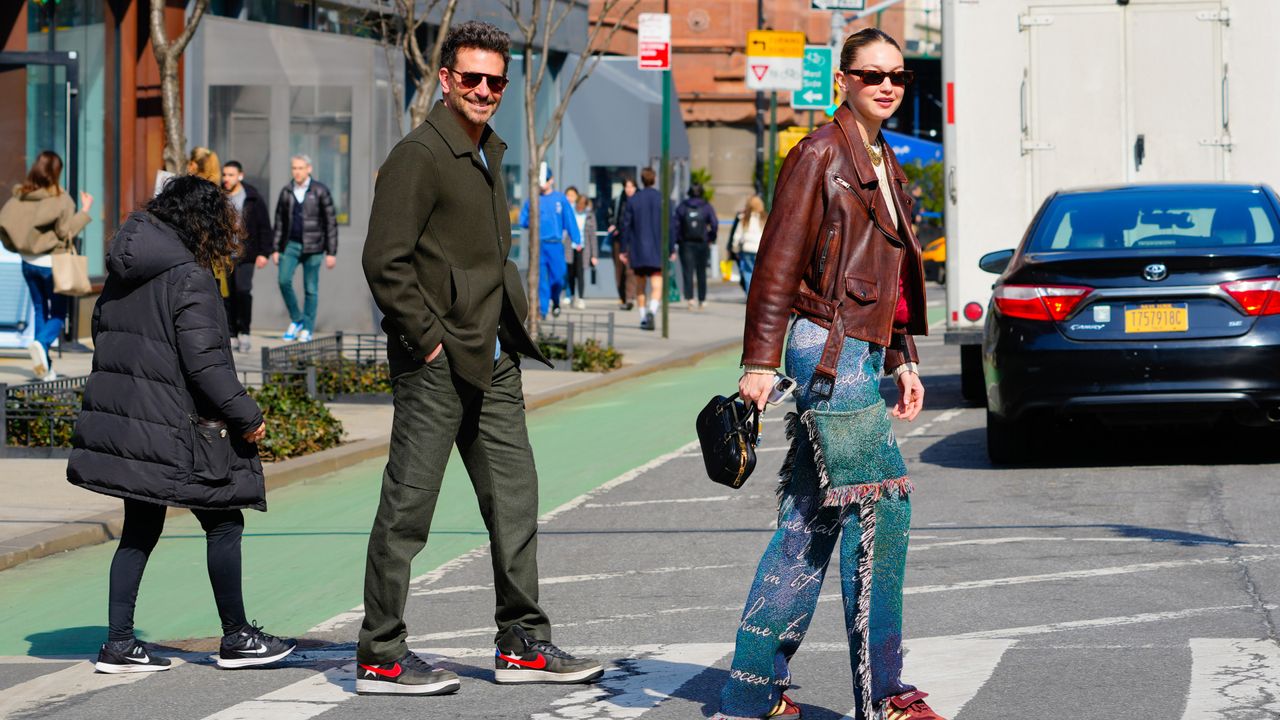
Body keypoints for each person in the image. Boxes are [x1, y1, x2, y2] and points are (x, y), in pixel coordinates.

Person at [358, 20, 603, 697]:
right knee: (408, 510)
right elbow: (385, 262)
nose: (485, 90)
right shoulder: (421, 154)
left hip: (492, 360)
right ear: (445, 79)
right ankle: (380, 653)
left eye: (496, 80)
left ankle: (522, 641)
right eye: (472, 78)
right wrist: (429, 339)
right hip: (437, 364)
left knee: (516, 503)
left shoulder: (487, 150)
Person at [713, 29, 940, 720]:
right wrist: (759, 360)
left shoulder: (883, 158)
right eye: (872, 74)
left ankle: (749, 692)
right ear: (844, 79)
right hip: (827, 350)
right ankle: (886, 695)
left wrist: (901, 357)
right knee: (882, 508)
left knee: (809, 520)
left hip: (862, 353)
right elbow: (777, 261)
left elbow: (889, 272)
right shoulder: (818, 153)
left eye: (897, 75)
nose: (887, 85)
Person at [67, 174, 295, 675]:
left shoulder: (125, 270)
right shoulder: (188, 277)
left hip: (135, 423)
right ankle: (237, 637)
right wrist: (247, 415)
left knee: (139, 529)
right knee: (223, 521)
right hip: (178, 426)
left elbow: (103, 333)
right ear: (203, 223)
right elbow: (205, 363)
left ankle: (119, 644)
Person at [0, 151, 91, 381]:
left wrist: (18, 247)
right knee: (59, 313)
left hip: (27, 263)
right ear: (56, 173)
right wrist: (85, 210)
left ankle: (45, 369)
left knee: (41, 309)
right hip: (52, 264)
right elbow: (66, 232)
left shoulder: (19, 196)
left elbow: (6, 224)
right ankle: (40, 343)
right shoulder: (60, 199)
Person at [272, 154, 338, 343]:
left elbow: (330, 223)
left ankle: (307, 328)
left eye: (301, 168)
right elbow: (278, 222)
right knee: (283, 280)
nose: (297, 172)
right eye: (294, 168)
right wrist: (276, 248)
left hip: (315, 247)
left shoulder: (320, 191)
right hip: (290, 245)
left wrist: (331, 252)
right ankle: (297, 319)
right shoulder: (286, 191)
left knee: (311, 289)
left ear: (309, 169)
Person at [221, 161, 273, 353]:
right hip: (225, 255)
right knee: (228, 295)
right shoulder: (220, 197)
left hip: (246, 254)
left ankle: (245, 331)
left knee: (243, 291)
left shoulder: (252, 197)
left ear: (240, 176)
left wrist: (264, 252)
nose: (226, 179)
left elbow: (264, 226)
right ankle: (231, 333)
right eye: (224, 175)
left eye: (231, 175)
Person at [519, 163, 580, 318]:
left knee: (559, 277)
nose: (543, 184)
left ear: (551, 180)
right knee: (541, 280)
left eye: (545, 180)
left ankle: (555, 299)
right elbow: (523, 220)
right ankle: (543, 310)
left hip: (555, 245)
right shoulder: (533, 199)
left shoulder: (560, 199)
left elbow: (570, 220)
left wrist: (576, 239)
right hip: (538, 245)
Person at [620, 167, 670, 331]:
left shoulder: (634, 200)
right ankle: (652, 311)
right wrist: (671, 248)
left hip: (638, 249)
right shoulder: (661, 199)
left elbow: (625, 226)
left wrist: (623, 249)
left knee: (640, 285)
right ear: (654, 179)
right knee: (657, 284)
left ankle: (643, 317)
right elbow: (670, 225)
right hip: (657, 249)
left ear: (641, 180)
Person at [671, 182, 718, 311]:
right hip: (702, 243)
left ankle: (690, 299)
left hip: (685, 243)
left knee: (688, 272)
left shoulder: (682, 207)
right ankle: (702, 300)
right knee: (701, 272)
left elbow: (675, 226)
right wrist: (710, 238)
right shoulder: (706, 207)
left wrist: (677, 240)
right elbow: (714, 224)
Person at [563, 187, 597, 310]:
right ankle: (571, 295)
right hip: (570, 247)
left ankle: (581, 298)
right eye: (580, 204)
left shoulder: (590, 216)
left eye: (583, 205)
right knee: (570, 273)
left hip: (583, 248)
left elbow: (593, 236)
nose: (581, 207)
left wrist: (594, 255)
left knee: (580, 274)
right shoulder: (571, 212)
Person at [606, 177, 637, 311]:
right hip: (618, 239)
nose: (628, 189)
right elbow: (609, 216)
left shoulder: (638, 201)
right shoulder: (618, 201)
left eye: (631, 187)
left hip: (633, 239)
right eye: (626, 187)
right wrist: (612, 225)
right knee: (619, 269)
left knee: (630, 269)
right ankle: (623, 296)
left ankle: (630, 297)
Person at [729, 194, 766, 293]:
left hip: (747, 248)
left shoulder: (744, 218)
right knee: (759, 272)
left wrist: (734, 248)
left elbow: (737, 235)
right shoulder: (764, 218)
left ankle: (750, 295)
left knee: (748, 272)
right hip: (760, 249)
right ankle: (758, 294)